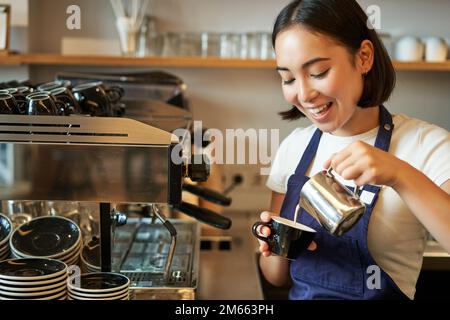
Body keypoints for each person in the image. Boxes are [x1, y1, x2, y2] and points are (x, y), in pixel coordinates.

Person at [257, 0, 450, 300]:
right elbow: (276, 276)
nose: (305, 94)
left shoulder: (428, 145)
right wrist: (276, 242)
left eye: (319, 72)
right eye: (289, 78)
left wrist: (399, 175)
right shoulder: (294, 147)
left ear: (363, 57)